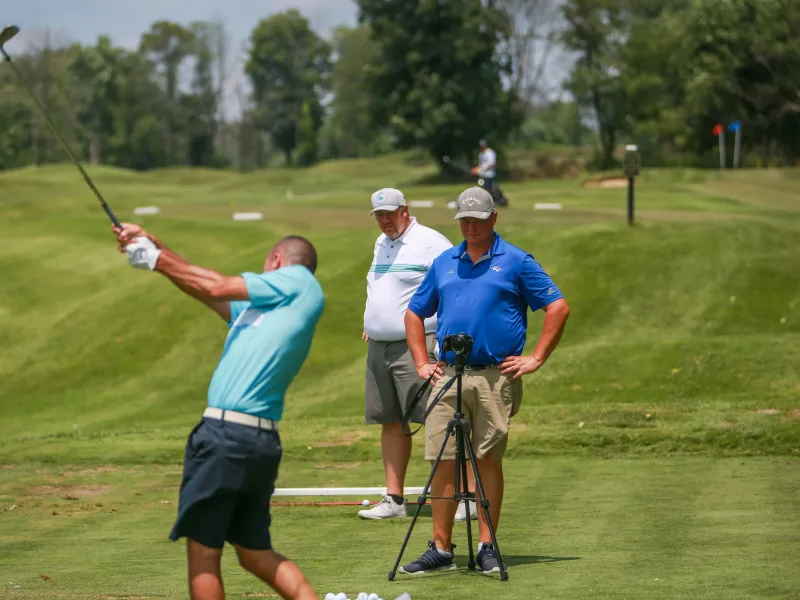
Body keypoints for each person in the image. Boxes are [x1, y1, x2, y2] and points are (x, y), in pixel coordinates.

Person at [113, 222, 323, 600]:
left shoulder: (297, 281)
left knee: (204, 554)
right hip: (254, 440)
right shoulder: (266, 309)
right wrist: (156, 249)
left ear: (276, 262)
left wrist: (157, 259)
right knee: (255, 554)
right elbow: (203, 289)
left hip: (227, 437)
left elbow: (215, 284)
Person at [399, 186, 570, 575]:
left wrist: (537, 357)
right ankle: (441, 549)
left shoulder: (516, 261)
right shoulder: (445, 261)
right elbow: (414, 313)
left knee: (486, 459)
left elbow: (557, 307)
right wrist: (422, 363)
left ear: (494, 218)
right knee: (441, 460)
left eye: (478, 220)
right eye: (465, 221)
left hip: (495, 376)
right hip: (448, 375)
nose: (471, 227)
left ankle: (487, 545)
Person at [357, 187, 454, 520]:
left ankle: (461, 498)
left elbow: (453, 287)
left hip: (417, 344)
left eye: (390, 213)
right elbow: (380, 287)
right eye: (379, 216)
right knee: (390, 421)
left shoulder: (432, 242)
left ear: (405, 210)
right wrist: (373, 319)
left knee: (437, 421)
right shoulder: (381, 243)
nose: (385, 221)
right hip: (380, 347)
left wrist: (442, 335)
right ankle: (395, 500)